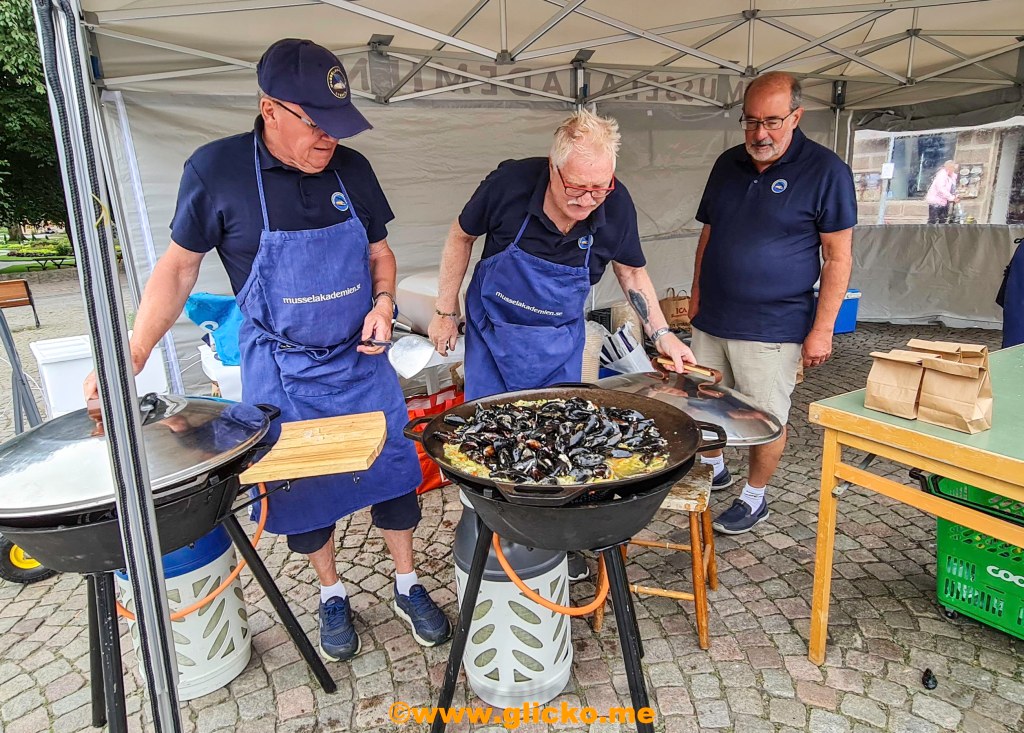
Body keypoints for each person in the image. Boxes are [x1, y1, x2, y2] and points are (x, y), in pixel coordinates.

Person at [84, 39, 451, 661]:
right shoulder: (217, 171)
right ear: (270, 109)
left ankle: (407, 582)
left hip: (360, 362)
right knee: (301, 492)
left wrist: (384, 303)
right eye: (315, 122)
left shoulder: (353, 169)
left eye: (338, 124)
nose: (329, 137)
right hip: (281, 369)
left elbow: (380, 253)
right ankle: (331, 593)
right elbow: (177, 269)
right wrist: (135, 350)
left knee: (392, 473)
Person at [427, 109, 695, 579]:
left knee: (558, 436)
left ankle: (553, 536)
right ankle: (488, 524)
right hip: (494, 336)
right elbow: (461, 235)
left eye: (600, 188)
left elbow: (632, 272)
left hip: (556, 342)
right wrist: (445, 310)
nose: (588, 200)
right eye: (577, 187)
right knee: (488, 434)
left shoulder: (615, 204)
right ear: (553, 168)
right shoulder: (509, 184)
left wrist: (662, 333)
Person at [689, 71, 856, 535]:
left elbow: (838, 257)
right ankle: (716, 468)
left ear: (796, 117)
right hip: (712, 317)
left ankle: (754, 497)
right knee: (704, 404)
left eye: (772, 122)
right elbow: (709, 234)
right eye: (751, 121)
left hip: (773, 324)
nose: (760, 133)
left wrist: (822, 329)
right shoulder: (727, 163)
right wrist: (696, 293)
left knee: (763, 417)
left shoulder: (826, 171)